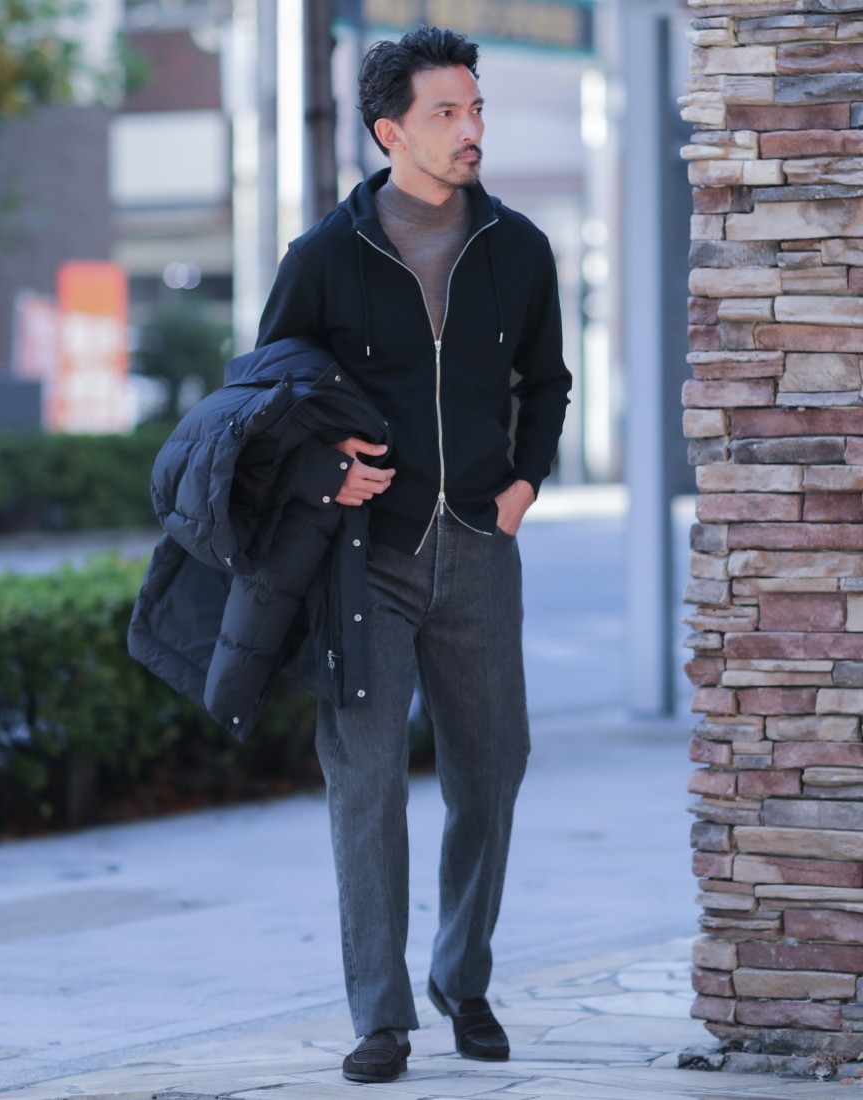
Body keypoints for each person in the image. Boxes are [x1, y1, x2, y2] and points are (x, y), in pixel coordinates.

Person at [256, 24, 572, 1084]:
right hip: (367, 560)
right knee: (367, 781)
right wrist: (323, 472)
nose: (471, 127)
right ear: (391, 132)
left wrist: (524, 485)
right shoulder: (323, 258)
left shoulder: (518, 247)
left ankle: (461, 976)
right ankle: (380, 1015)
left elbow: (547, 382)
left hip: (480, 544)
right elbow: (262, 401)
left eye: (476, 108)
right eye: (447, 112)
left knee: (492, 770)